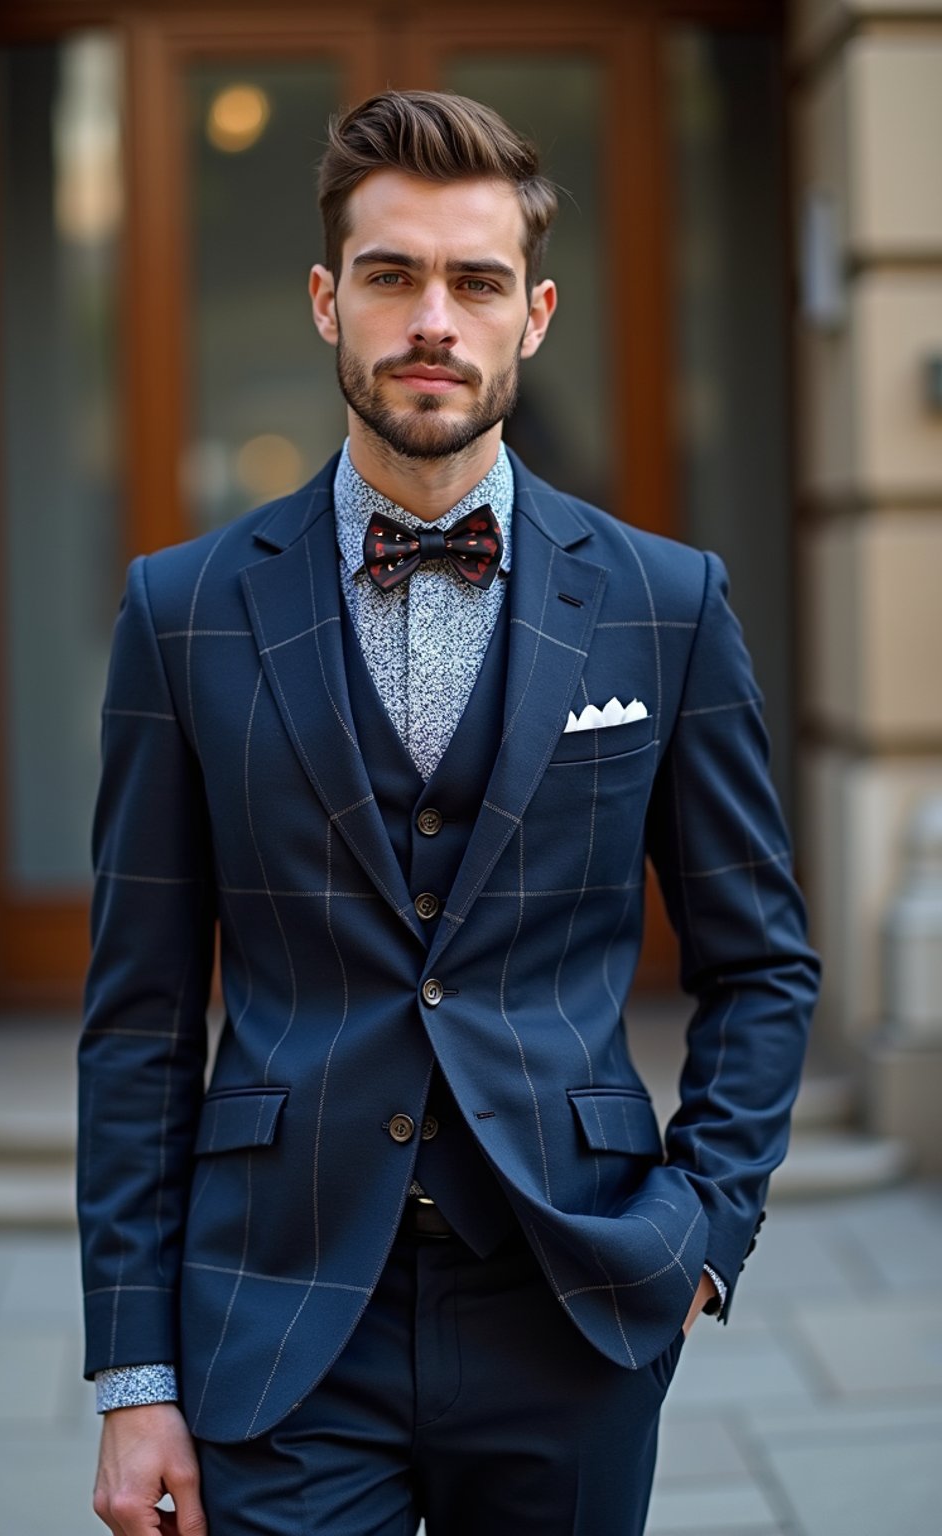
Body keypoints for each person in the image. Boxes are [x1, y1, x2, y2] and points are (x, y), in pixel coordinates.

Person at [79, 89, 819, 1536]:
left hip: (575, 1299)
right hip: (278, 1316)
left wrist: (704, 1236)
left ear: (533, 314)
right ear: (324, 300)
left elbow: (762, 960)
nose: (435, 318)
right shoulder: (182, 614)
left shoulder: (669, 605)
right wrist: (133, 1375)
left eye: (476, 281)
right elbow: (138, 1016)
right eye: (391, 275)